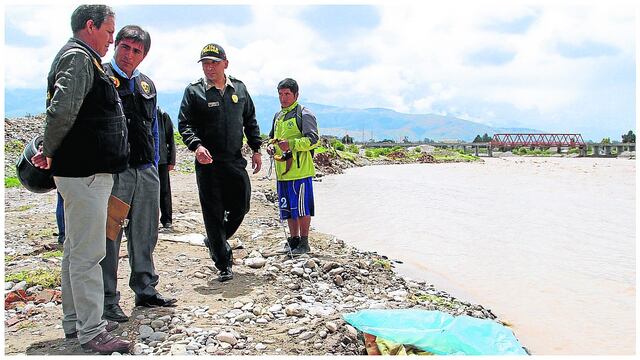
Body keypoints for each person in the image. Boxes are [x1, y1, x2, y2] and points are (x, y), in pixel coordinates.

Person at [32, 4, 130, 354]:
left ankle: (75, 322)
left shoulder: (83, 58)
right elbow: (62, 108)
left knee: (76, 249)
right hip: (85, 172)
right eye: (108, 32)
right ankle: (92, 331)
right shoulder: (78, 58)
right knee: (89, 253)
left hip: (84, 172)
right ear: (91, 26)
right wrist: (52, 149)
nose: (111, 41)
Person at [100, 25, 177, 324]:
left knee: (145, 232)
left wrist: (156, 162)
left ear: (144, 55)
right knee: (110, 237)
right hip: (115, 171)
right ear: (115, 45)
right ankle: (107, 299)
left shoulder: (147, 85)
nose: (129, 55)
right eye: (125, 47)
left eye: (137, 50)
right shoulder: (102, 77)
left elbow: (153, 129)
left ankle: (145, 289)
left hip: (146, 169)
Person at [178, 43, 262, 282]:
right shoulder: (194, 91)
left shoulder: (240, 89)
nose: (209, 67)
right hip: (208, 163)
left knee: (241, 205)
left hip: (234, 159)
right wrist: (196, 145)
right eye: (205, 63)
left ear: (226, 63)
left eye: (214, 62)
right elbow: (185, 124)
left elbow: (250, 120)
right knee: (213, 213)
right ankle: (223, 262)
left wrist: (256, 148)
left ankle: (215, 238)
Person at [268, 78, 319, 255]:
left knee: (302, 207)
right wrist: (270, 146)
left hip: (300, 172)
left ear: (296, 94)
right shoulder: (278, 116)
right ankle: (293, 239)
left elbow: (313, 140)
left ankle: (304, 242)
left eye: (287, 94)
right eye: (280, 94)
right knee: (287, 208)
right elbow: (271, 138)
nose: (283, 98)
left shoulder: (304, 114)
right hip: (282, 173)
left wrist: (291, 144)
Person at [157, 107, 176, 229]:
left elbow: (171, 139)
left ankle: (167, 219)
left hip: (161, 159)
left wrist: (171, 160)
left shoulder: (162, 114)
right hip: (146, 159)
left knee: (164, 191)